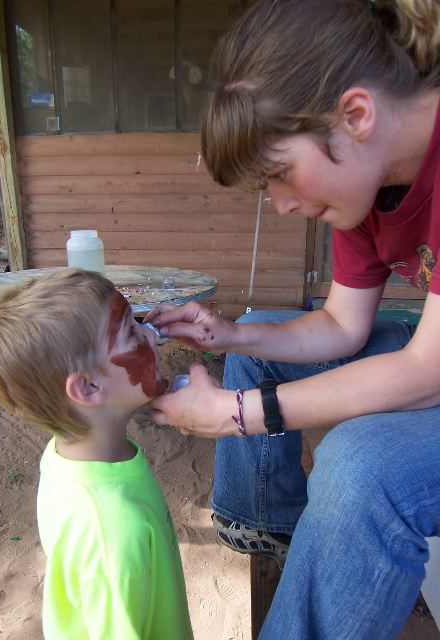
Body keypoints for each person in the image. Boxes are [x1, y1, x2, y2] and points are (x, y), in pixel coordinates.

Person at [144, 0, 440, 638]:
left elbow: (427, 374)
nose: (281, 206)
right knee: (257, 351)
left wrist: (238, 414)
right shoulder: (368, 185)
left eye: (280, 174)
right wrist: (232, 333)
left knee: (362, 468)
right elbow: (341, 327)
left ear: (355, 116)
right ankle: (274, 538)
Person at [0, 268, 193, 640]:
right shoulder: (112, 535)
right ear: (89, 387)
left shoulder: (64, 459)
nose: (150, 333)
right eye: (131, 331)